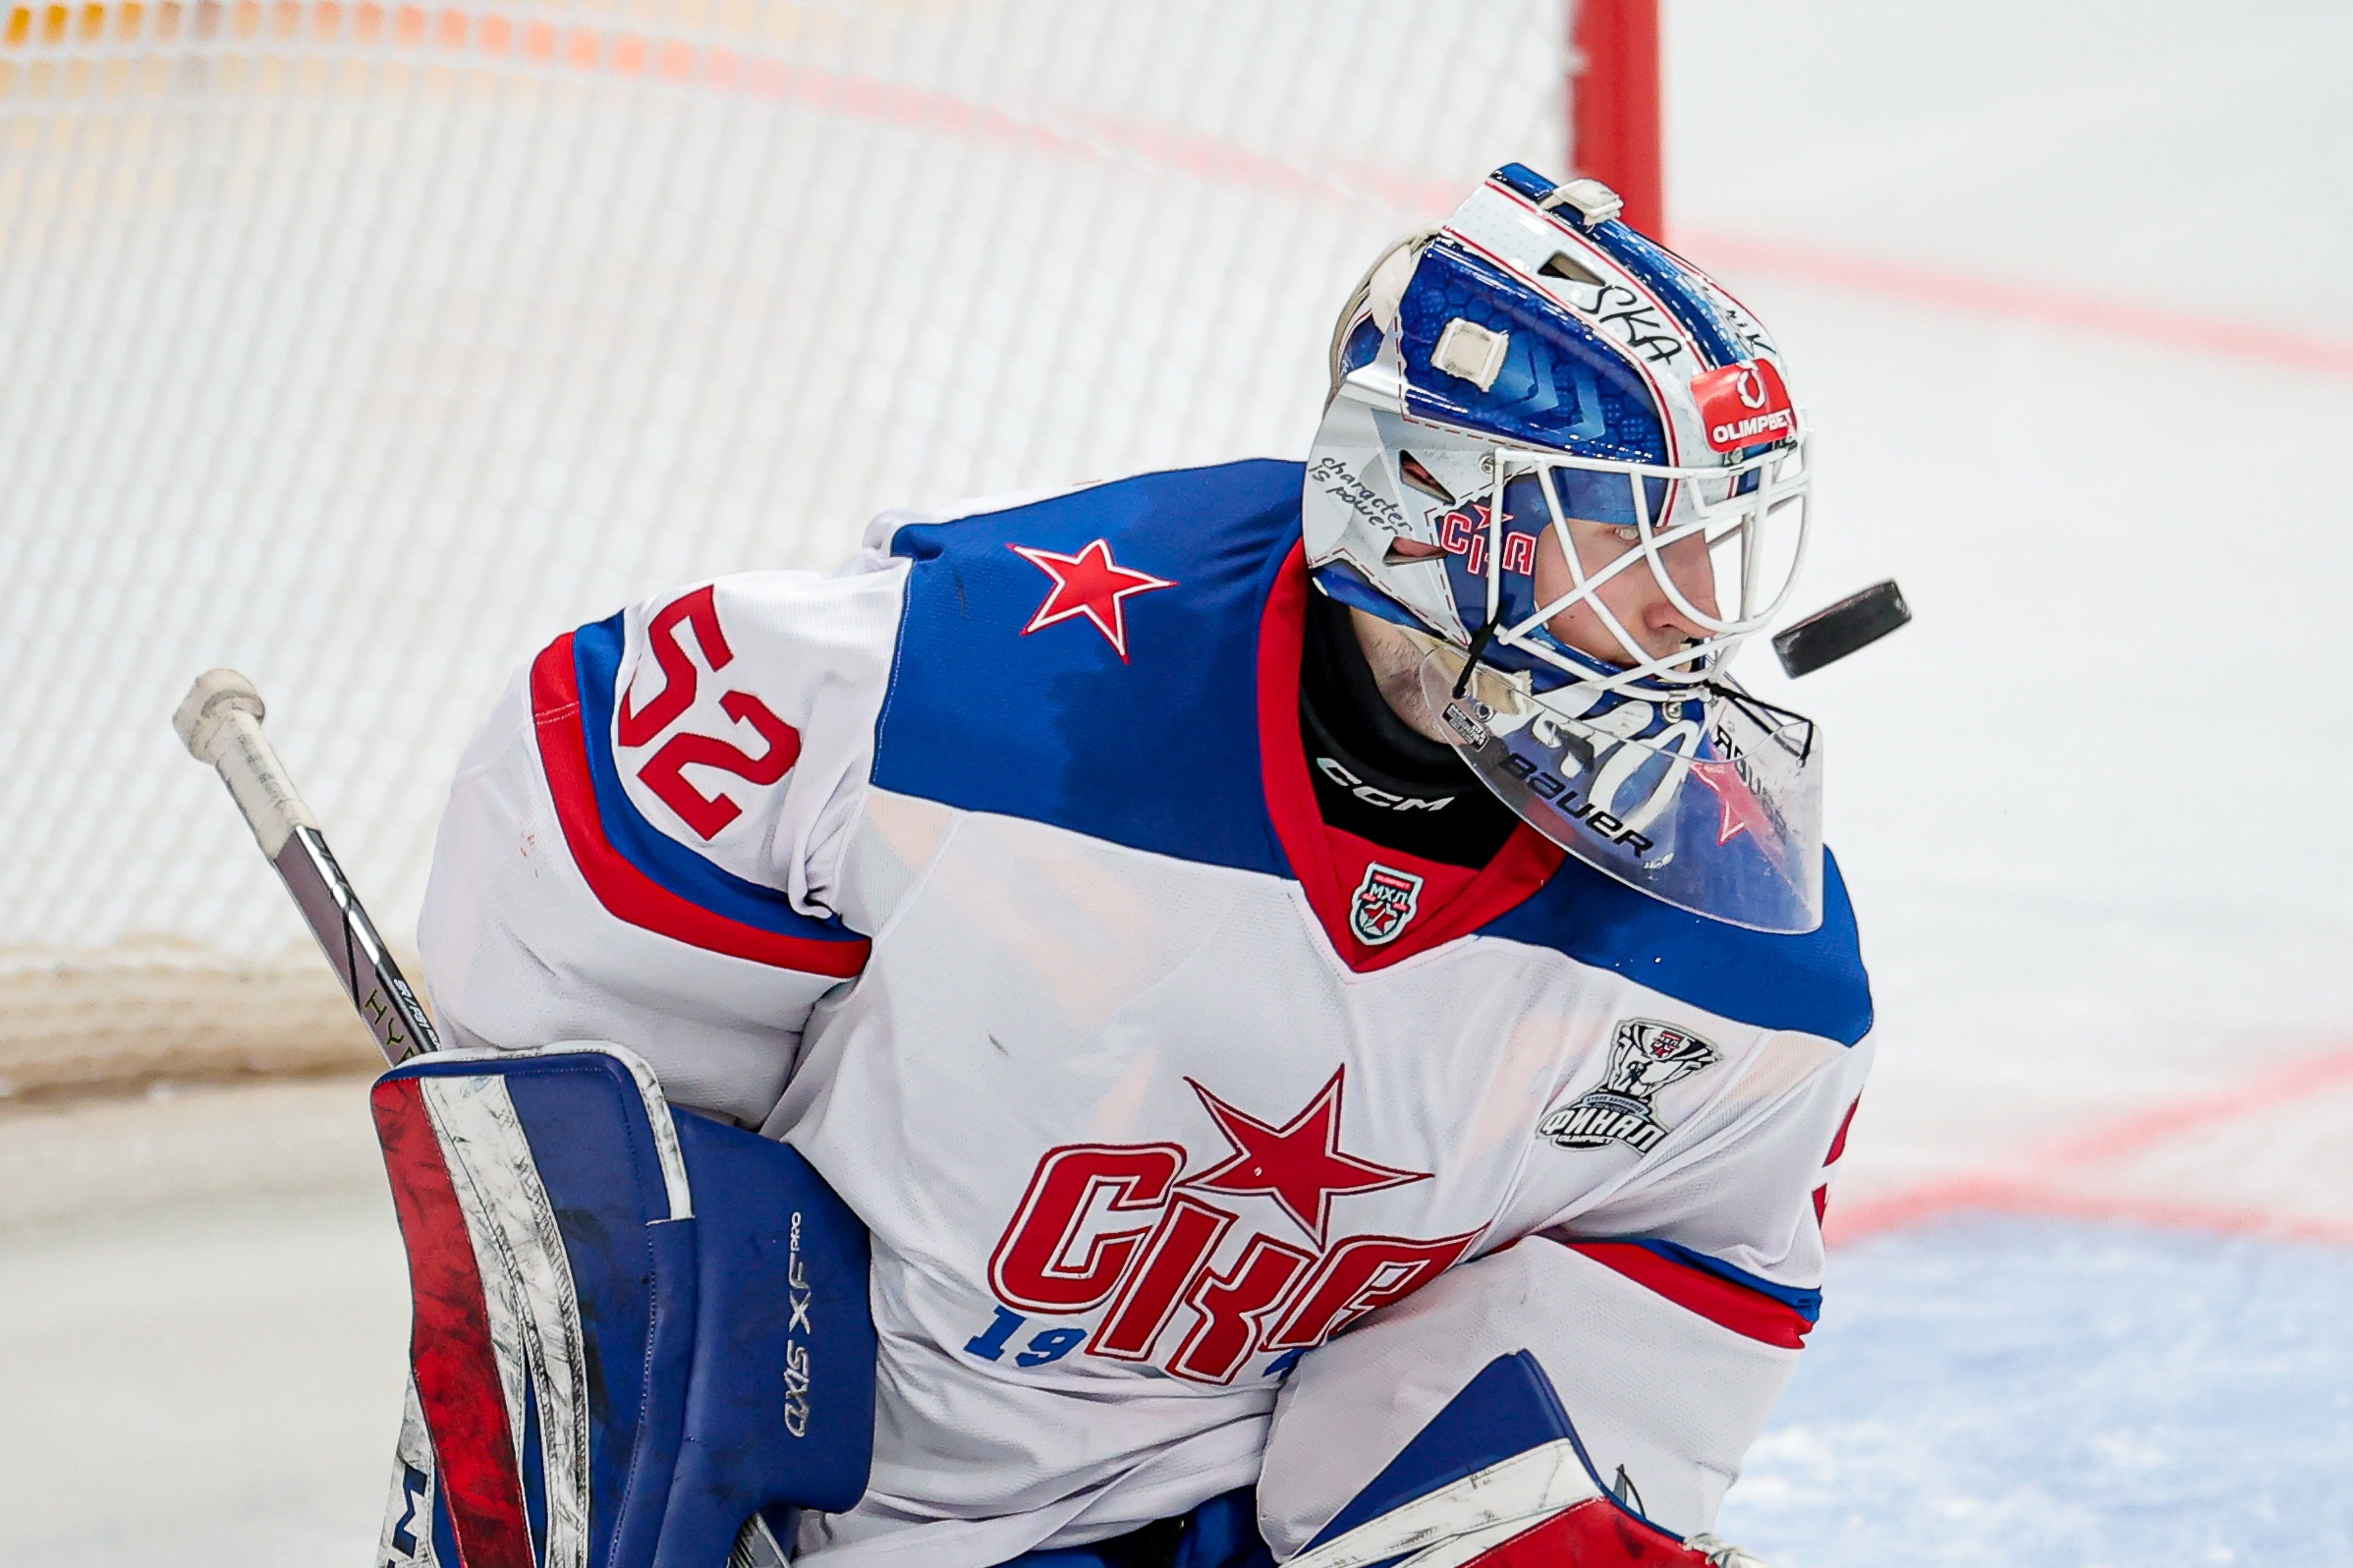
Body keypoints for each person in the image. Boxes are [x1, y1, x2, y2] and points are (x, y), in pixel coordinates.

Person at [408, 163, 1874, 1568]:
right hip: (853, 1508)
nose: (1687, 615)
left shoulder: (1749, 963)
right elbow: (590, 829)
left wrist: (1488, 1528)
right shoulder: (979, 694)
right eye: (1625, 538)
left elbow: (1681, 1275)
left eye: (1715, 546)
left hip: (1236, 1521)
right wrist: (643, 1293)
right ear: (1426, 503)